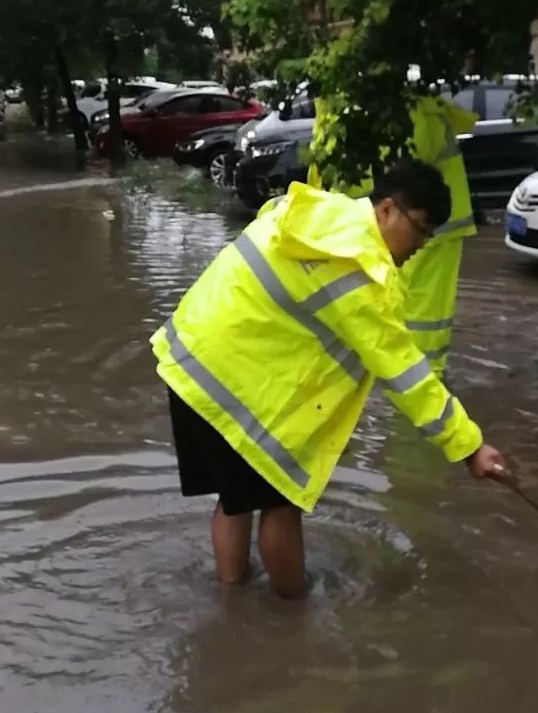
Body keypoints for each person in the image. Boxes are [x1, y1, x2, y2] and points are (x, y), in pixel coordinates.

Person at [151, 162, 506, 600]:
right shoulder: (359, 267)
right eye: (421, 229)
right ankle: (291, 620)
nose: (422, 245)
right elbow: (405, 373)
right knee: (281, 504)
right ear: (388, 211)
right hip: (228, 379)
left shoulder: (326, 214)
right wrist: (468, 446)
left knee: (236, 496)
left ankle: (232, 602)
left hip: (192, 363)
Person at [309, 94, 478, 376]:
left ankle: (424, 380)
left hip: (425, 226)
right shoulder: (340, 109)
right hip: (390, 222)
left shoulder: (398, 107)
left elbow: (407, 173)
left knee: (420, 318)